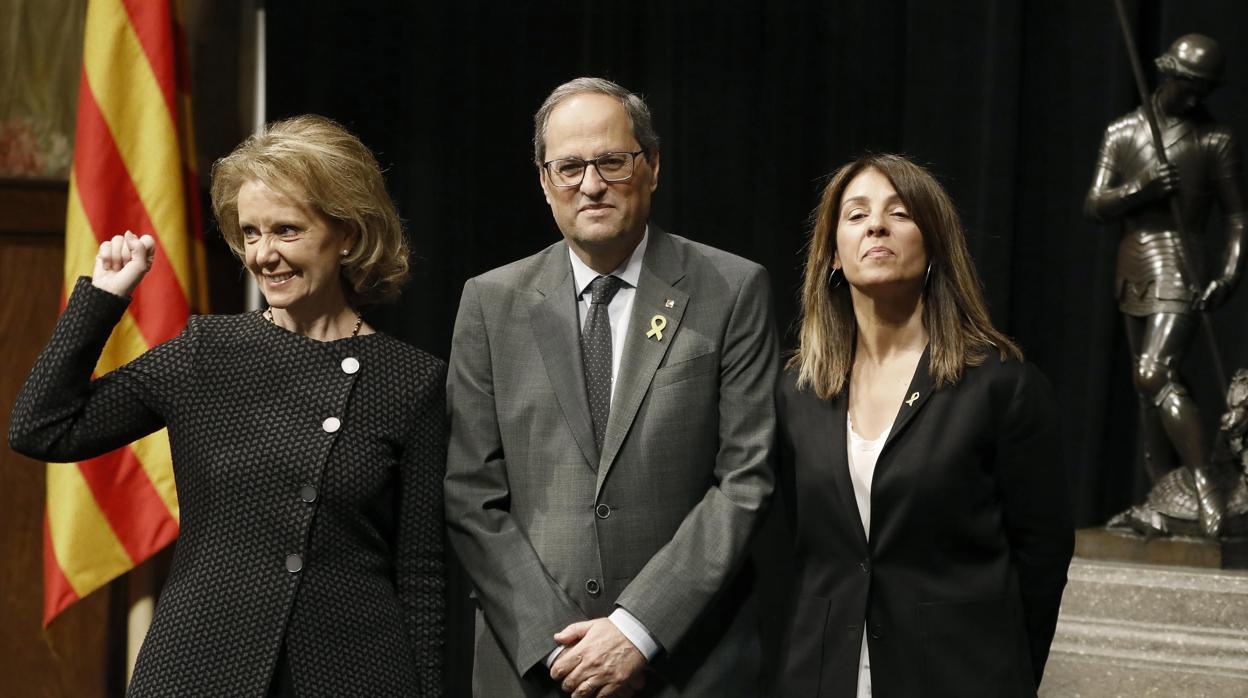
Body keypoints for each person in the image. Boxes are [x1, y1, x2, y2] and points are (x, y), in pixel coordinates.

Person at [9, 115, 445, 696]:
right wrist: (102, 300)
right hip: (200, 665)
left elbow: (421, 575)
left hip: (356, 671)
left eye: (286, 230)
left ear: (347, 233)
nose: (264, 255)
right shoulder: (205, 354)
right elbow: (42, 429)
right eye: (250, 233)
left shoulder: (413, 381)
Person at [444, 77, 777, 697]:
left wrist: (636, 630)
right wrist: (559, 645)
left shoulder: (730, 289)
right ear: (544, 182)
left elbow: (746, 478)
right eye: (568, 167)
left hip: (686, 665)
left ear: (651, 167)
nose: (590, 185)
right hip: (535, 669)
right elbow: (470, 493)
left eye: (611, 162)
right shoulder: (489, 302)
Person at [775, 154, 1073, 697]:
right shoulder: (797, 389)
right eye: (856, 215)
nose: (876, 226)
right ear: (832, 256)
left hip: (960, 675)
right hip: (821, 676)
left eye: (900, 213)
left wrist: (1005, 671)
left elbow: (1042, 556)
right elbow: (790, 552)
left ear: (934, 244)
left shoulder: (1002, 385)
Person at [1084, 33, 1247, 538]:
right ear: (1166, 72)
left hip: (1184, 260)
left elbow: (1238, 216)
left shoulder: (1213, 140)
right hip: (1133, 264)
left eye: (1205, 88)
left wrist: (1230, 272)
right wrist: (1141, 189)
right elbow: (1095, 204)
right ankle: (1160, 501)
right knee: (1144, 387)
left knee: (1154, 372)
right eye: (1188, 83)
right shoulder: (1124, 131)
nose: (1195, 97)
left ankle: (1205, 488)